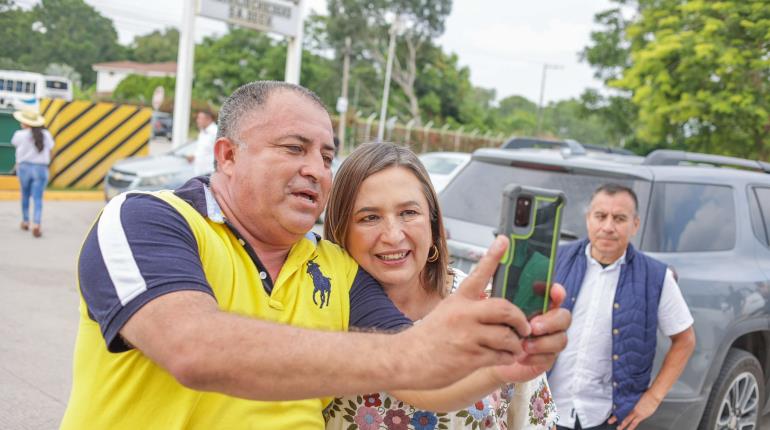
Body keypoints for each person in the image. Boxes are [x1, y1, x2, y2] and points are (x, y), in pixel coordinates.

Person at [61, 81, 567, 429]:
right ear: (228, 156)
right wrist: (411, 354)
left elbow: (421, 382)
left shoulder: (337, 269)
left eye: (326, 156)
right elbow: (193, 349)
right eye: (294, 148)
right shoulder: (146, 219)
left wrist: (503, 364)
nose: (316, 169)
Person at [323, 142, 561, 429]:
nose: (393, 235)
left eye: (408, 213)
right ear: (340, 230)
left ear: (433, 222)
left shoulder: (489, 310)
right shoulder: (321, 307)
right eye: (370, 217)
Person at [550, 183, 696, 430]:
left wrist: (653, 397)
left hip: (607, 417)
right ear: (588, 219)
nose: (608, 227)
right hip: (546, 410)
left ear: (635, 225)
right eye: (600, 216)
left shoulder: (656, 277)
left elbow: (685, 340)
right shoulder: (555, 260)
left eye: (619, 218)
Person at [11, 108, 54, 238]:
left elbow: (15, 146)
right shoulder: (46, 135)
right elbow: (51, 149)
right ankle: (36, 224)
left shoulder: (19, 134)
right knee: (38, 198)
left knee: (25, 195)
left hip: (24, 167)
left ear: (25, 123)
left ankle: (25, 221)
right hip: (41, 168)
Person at [186, 109, 218, 175]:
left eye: (200, 118)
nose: (197, 121)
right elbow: (204, 150)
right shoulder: (203, 132)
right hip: (200, 172)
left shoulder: (215, 132)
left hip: (210, 173)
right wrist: (194, 156)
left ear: (208, 119)